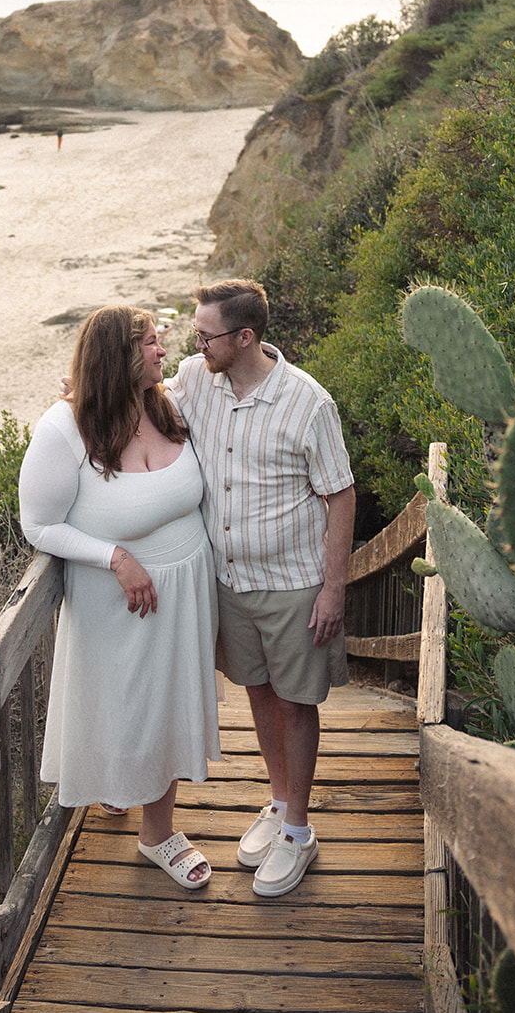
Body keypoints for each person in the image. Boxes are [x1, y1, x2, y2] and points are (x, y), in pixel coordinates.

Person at [19, 305, 220, 889]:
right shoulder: (63, 430)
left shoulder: (169, 403)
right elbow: (38, 524)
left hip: (184, 590)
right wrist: (116, 558)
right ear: (119, 357)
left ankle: (157, 832)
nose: (164, 351)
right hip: (119, 596)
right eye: (152, 343)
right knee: (125, 705)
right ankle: (123, 793)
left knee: (164, 705)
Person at [168, 278, 355, 898]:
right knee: (257, 690)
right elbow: (144, 406)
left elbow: (340, 494)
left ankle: (299, 832)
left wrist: (334, 590)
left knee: (297, 702)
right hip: (230, 581)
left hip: (293, 584)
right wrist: (74, 398)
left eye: (206, 335)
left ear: (245, 337)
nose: (196, 346)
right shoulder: (198, 380)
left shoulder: (308, 403)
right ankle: (279, 802)